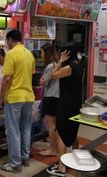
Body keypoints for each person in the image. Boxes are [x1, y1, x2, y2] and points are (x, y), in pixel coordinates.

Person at [0, 30, 35, 174]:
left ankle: (15, 164)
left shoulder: (12, 54)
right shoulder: (29, 54)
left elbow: (7, 79)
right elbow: (30, 74)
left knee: (13, 131)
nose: (7, 44)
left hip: (14, 98)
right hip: (28, 97)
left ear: (10, 40)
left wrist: (1, 97)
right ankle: (25, 158)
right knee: (25, 128)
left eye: (7, 41)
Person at [46, 43, 83, 177]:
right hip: (76, 103)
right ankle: (76, 156)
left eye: (62, 53)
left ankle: (62, 166)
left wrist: (60, 61)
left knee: (61, 132)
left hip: (66, 104)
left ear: (66, 54)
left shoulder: (68, 68)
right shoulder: (79, 66)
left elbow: (53, 75)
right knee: (72, 132)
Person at [39, 43, 59, 157]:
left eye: (42, 52)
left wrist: (42, 81)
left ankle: (53, 149)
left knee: (51, 125)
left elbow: (44, 82)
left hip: (50, 96)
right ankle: (54, 147)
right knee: (53, 124)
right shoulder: (56, 64)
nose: (41, 54)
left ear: (47, 53)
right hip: (55, 97)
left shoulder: (51, 66)